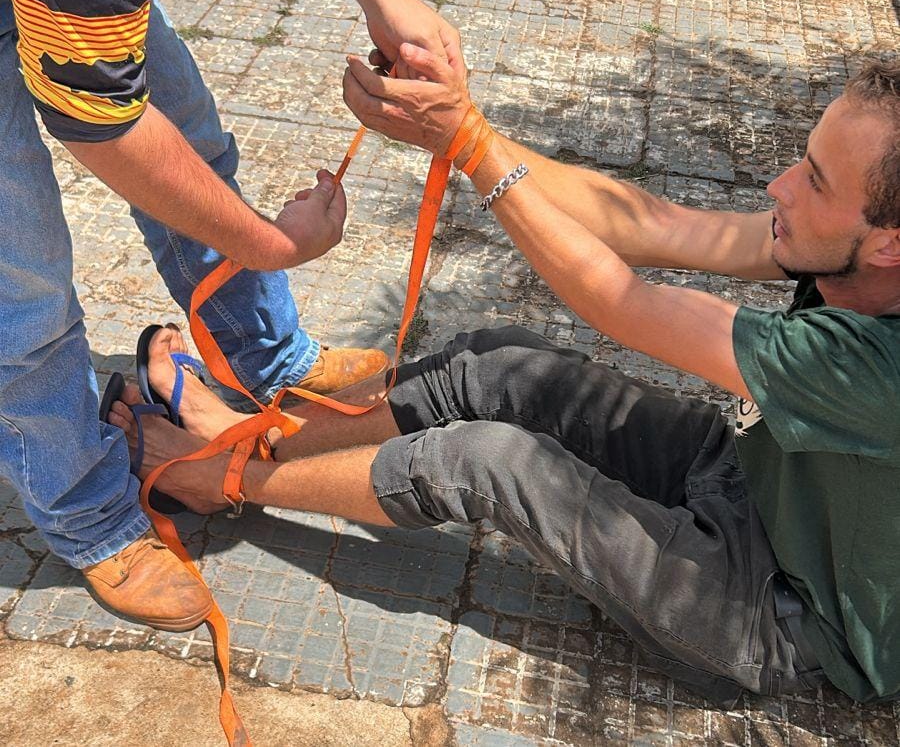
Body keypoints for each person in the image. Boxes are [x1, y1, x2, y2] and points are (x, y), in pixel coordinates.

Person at [113, 53, 900, 707]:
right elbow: (652, 224)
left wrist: (471, 146)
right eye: (804, 158)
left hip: (772, 609)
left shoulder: (876, 366)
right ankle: (249, 437)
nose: (780, 187)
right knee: (498, 363)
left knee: (483, 460)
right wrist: (464, 134)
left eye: (817, 181)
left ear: (890, 245)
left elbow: (627, 303)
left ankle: (225, 480)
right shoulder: (843, 249)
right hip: (753, 482)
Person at [0, 0, 460, 632]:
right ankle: (89, 514)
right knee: (20, 282)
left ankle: (264, 356)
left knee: (191, 143)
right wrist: (271, 243)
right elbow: (101, 121)